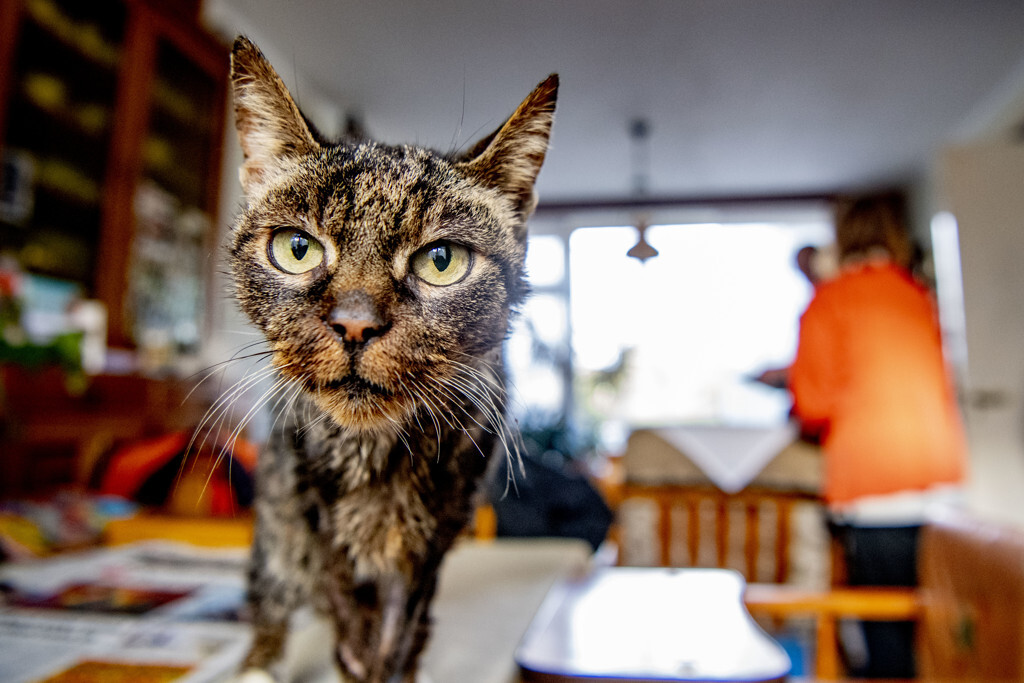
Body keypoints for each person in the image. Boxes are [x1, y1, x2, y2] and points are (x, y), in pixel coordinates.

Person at [787, 196, 968, 678]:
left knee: (884, 635)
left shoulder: (832, 299)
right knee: (937, 626)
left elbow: (812, 404)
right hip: (941, 483)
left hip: (874, 489)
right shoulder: (917, 292)